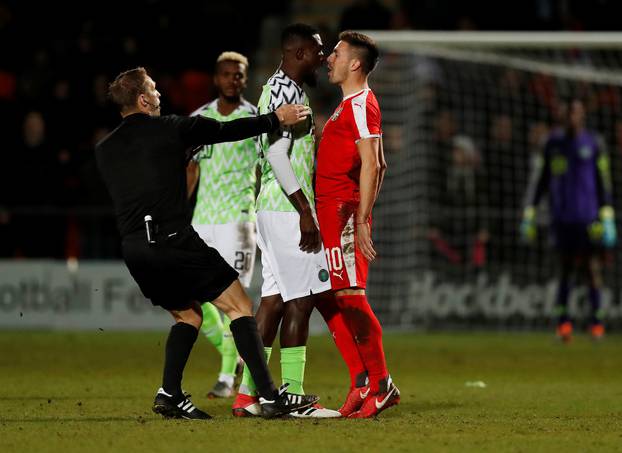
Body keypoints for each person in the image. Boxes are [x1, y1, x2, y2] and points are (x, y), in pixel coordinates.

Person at [95, 67, 318, 419]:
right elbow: (226, 131)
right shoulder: (172, 127)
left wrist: (179, 156)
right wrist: (276, 117)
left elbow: (145, 180)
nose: (159, 95)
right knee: (240, 306)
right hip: (174, 241)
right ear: (142, 99)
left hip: (135, 250)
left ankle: (169, 394)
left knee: (188, 315)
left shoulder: (104, 150)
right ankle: (270, 397)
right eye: (153, 89)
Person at [232, 23, 342, 419]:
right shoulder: (281, 92)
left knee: (275, 303)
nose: (323, 58)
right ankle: (293, 396)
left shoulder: (288, 89)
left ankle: (248, 397)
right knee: (303, 299)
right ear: (298, 54)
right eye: (317, 51)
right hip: (284, 211)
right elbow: (277, 157)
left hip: (277, 209)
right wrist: (305, 212)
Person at [315, 31, 400, 418]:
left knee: (350, 296)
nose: (328, 58)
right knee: (330, 297)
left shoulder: (363, 103)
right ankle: (361, 381)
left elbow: (374, 163)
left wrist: (362, 219)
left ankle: (381, 384)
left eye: (336, 53)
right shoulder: (346, 104)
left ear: (354, 63)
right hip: (330, 213)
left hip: (344, 212)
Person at [186, 51, 257, 399]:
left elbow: (266, 167)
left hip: (238, 222)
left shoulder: (255, 119)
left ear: (246, 78)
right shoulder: (198, 119)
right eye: (227, 74)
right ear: (216, 78)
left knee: (235, 300)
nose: (233, 79)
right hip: (202, 223)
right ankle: (234, 360)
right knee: (196, 300)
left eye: (239, 75)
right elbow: (191, 169)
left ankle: (228, 377)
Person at [521, 98, 617, 342]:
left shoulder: (594, 143)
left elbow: (602, 181)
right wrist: (529, 212)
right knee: (564, 271)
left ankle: (597, 325)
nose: (572, 117)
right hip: (561, 219)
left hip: (589, 219)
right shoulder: (552, 143)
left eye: (576, 112)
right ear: (562, 115)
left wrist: (607, 216)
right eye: (568, 112)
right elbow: (541, 180)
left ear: (582, 115)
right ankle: (563, 326)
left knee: (591, 269)